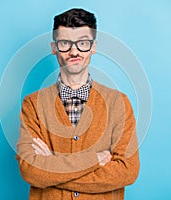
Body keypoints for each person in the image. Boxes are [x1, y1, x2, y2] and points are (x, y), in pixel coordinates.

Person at [16, 8, 140, 200]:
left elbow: (127, 171)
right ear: (54, 47)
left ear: (93, 47)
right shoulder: (32, 104)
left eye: (82, 43)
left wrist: (52, 165)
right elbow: (31, 171)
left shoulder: (118, 103)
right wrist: (94, 160)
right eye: (65, 43)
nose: (74, 51)